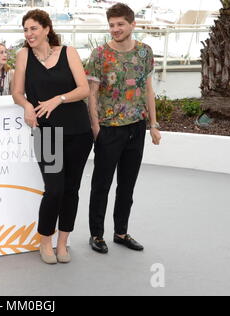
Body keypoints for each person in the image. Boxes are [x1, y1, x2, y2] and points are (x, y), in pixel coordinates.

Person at [12, 10, 93, 264]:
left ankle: (63, 242)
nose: (29, 34)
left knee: (71, 189)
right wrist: (26, 106)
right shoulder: (23, 55)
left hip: (79, 132)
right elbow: (17, 92)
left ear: (47, 29)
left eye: (33, 28)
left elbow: (84, 89)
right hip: (47, 133)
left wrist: (58, 99)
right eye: (25, 30)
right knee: (54, 189)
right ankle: (45, 240)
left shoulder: (69, 52)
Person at [85, 3, 161, 254]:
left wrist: (153, 124)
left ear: (132, 25)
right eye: (112, 25)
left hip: (136, 127)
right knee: (101, 185)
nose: (115, 29)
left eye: (120, 24)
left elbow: (148, 90)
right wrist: (95, 126)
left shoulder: (145, 52)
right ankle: (96, 234)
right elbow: (92, 93)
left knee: (127, 185)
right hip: (109, 128)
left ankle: (121, 232)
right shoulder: (99, 54)